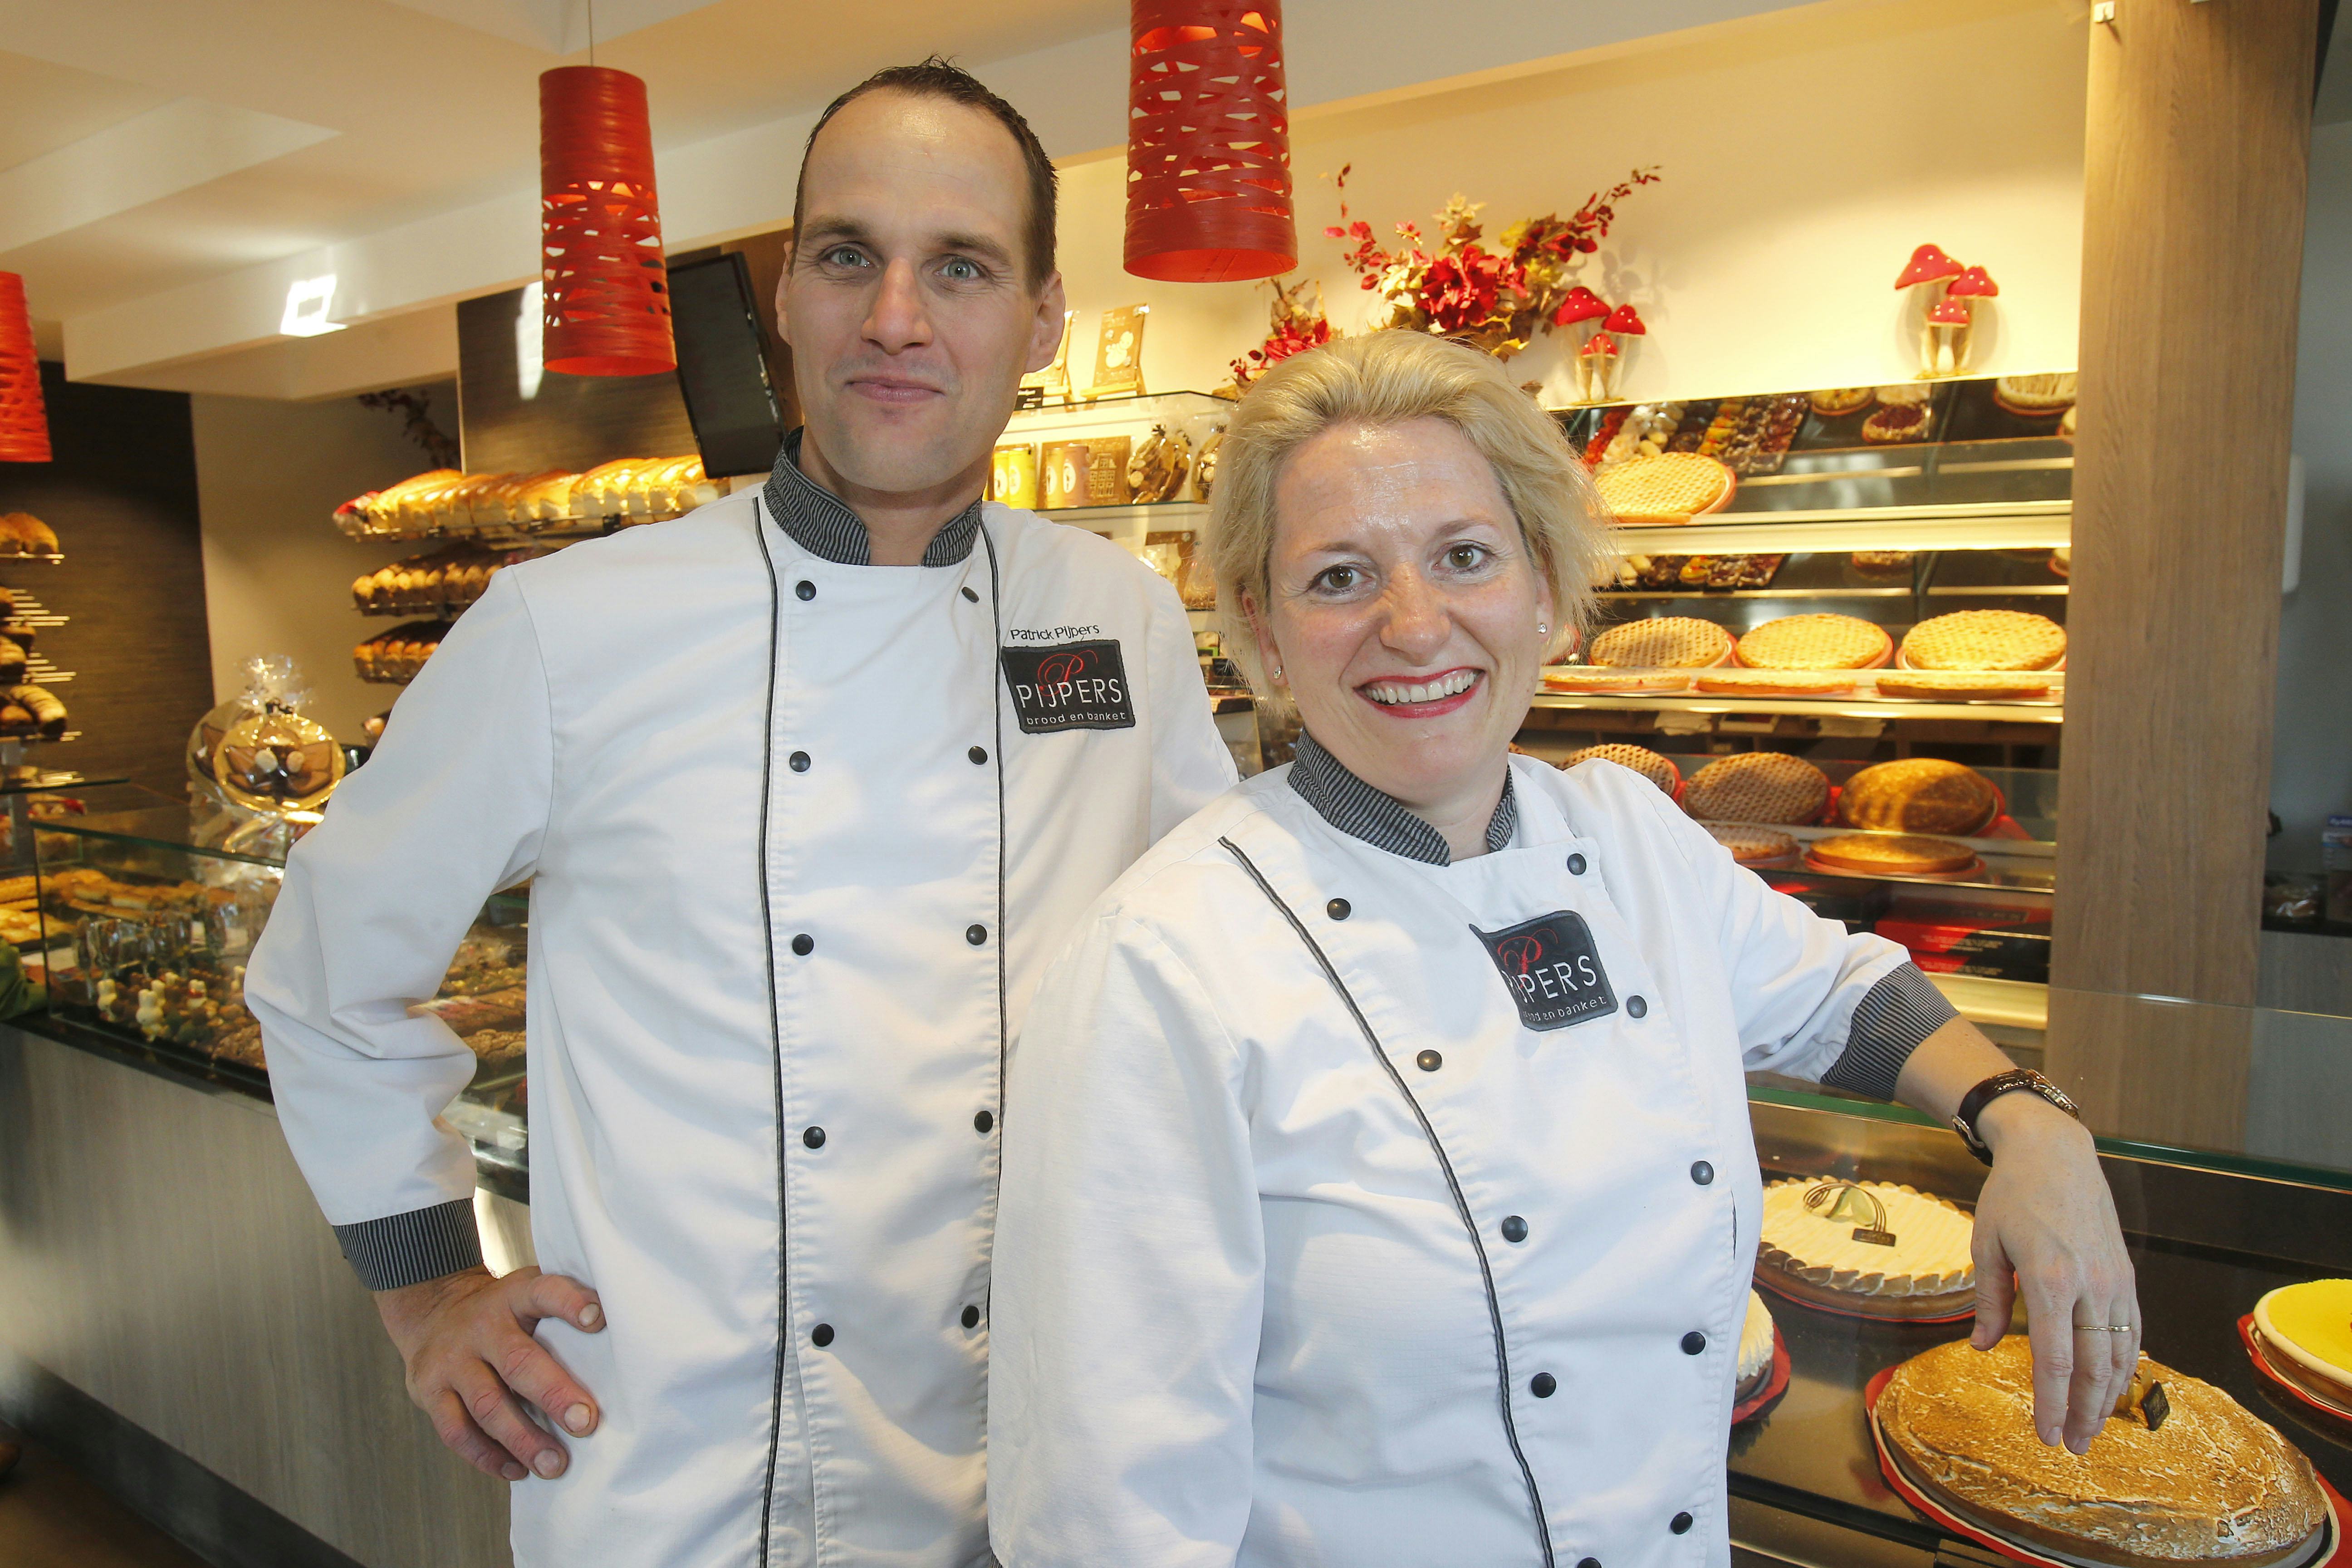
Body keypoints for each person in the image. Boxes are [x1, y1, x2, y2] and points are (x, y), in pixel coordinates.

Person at [247, 60, 1233, 1568]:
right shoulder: (565, 627)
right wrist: (429, 1289)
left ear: (1041, 321)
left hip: (1048, 1465)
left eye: (959, 267)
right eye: (848, 256)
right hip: (690, 1475)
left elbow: (1215, 974)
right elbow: (325, 974)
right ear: (787, 297)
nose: (896, 317)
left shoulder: (1116, 617)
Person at [987, 330, 2137, 1568]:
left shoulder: (1629, 833)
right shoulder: (1162, 961)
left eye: (1464, 557)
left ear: (1543, 587)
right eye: (1337, 578)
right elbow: (1108, 1511)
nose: (1415, 625)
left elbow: (1839, 996)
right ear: (1263, 636)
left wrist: (2027, 1119)